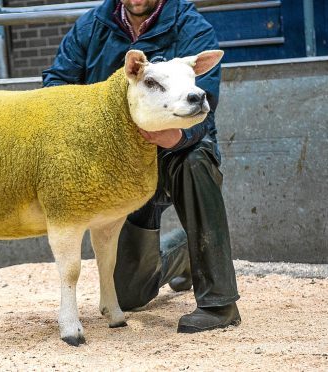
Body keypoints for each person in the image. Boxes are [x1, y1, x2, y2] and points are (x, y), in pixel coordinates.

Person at [42, 0, 241, 333]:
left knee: (196, 164)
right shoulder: (92, 27)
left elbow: (206, 99)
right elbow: (56, 85)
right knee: (129, 295)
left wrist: (175, 136)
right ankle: (182, 255)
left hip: (177, 149)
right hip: (119, 162)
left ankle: (219, 303)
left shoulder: (190, 27)